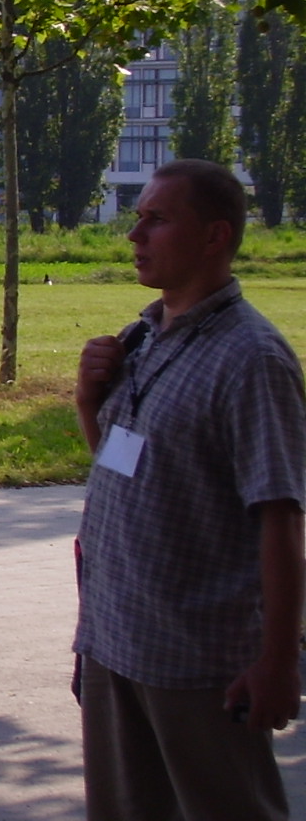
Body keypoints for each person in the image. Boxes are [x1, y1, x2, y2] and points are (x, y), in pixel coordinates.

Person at [74, 159, 306, 821]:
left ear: (214, 236)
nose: (134, 235)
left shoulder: (251, 359)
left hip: (196, 661)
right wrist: (90, 402)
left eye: (157, 219)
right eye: (138, 217)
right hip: (116, 640)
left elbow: (281, 519)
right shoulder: (144, 337)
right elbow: (129, 473)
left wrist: (279, 663)